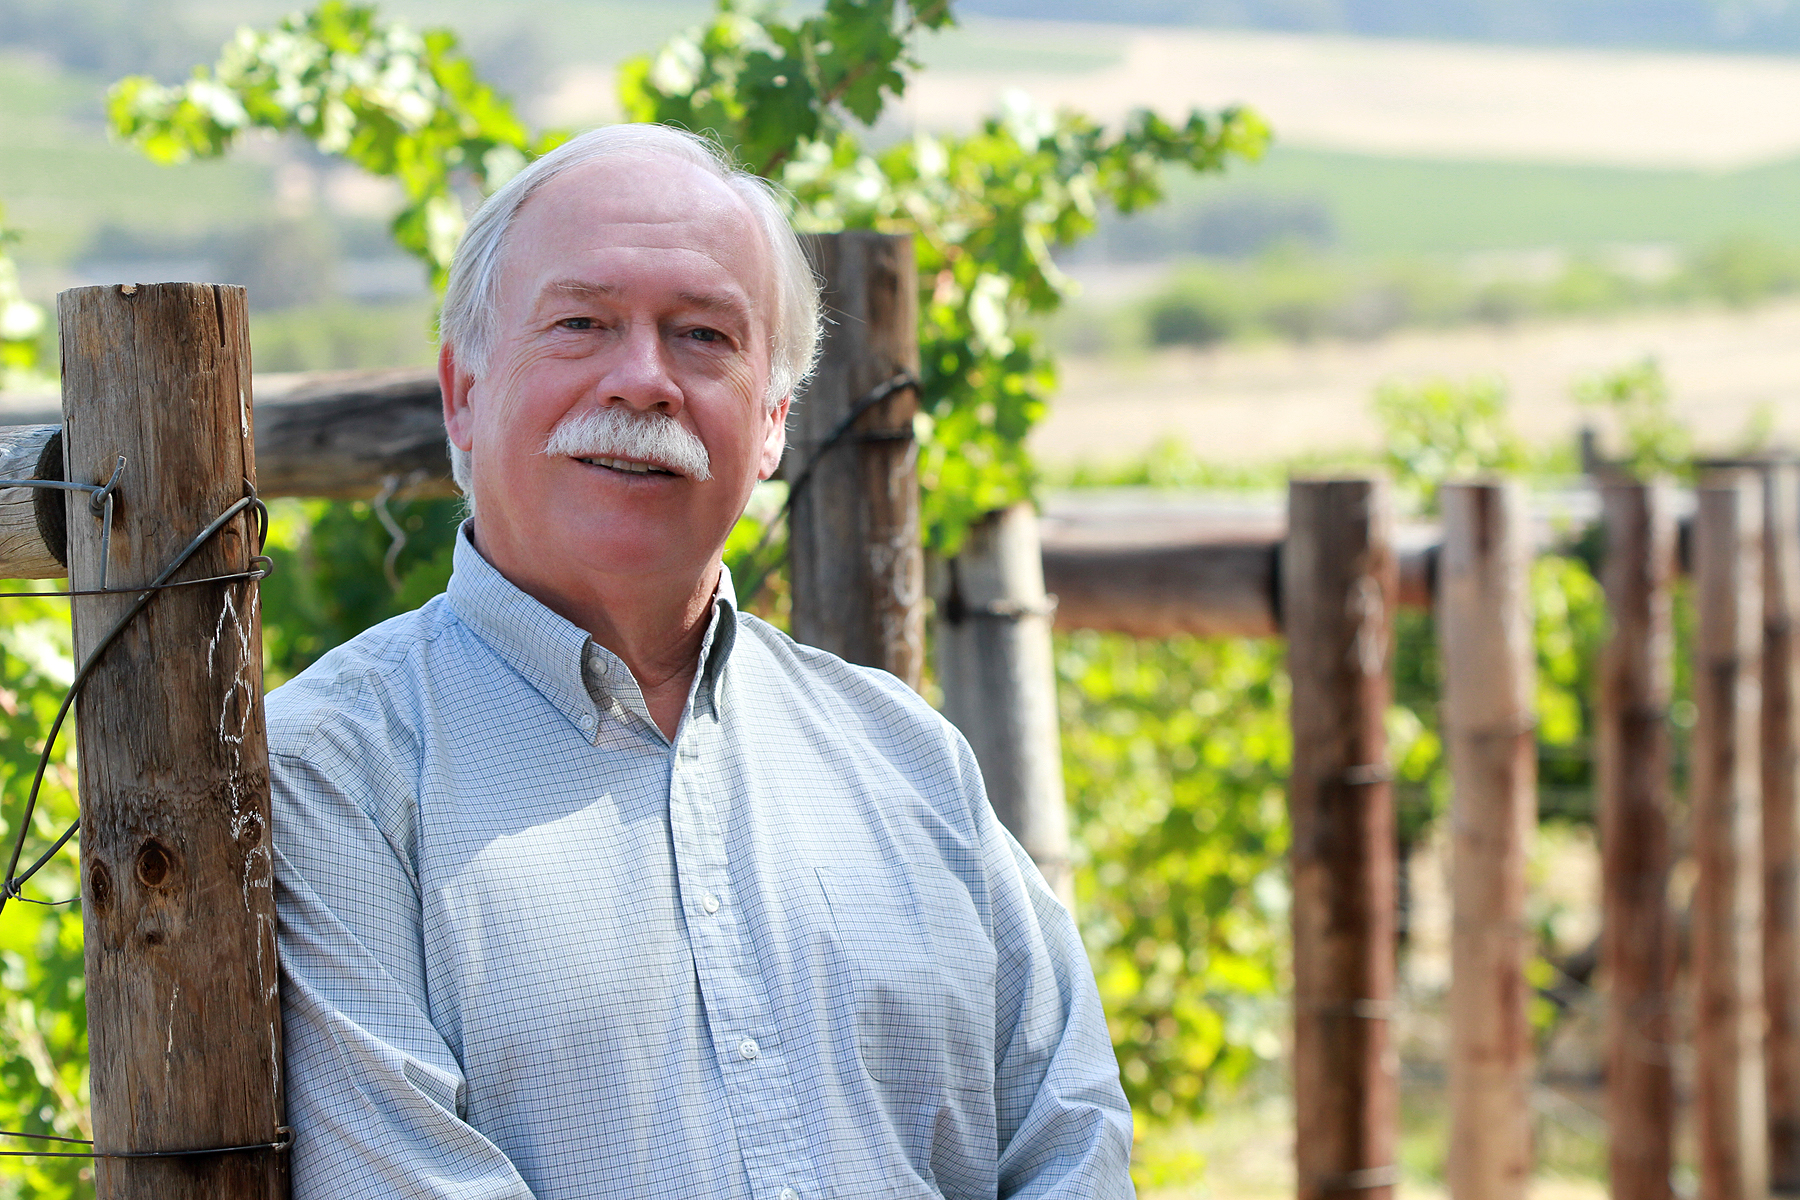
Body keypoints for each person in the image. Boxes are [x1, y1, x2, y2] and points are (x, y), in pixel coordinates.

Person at [267, 122, 1134, 1200]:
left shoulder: (909, 756)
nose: (645, 381)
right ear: (463, 394)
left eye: (705, 337)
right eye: (581, 323)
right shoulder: (331, 778)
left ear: (772, 421)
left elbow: (1071, 1137)